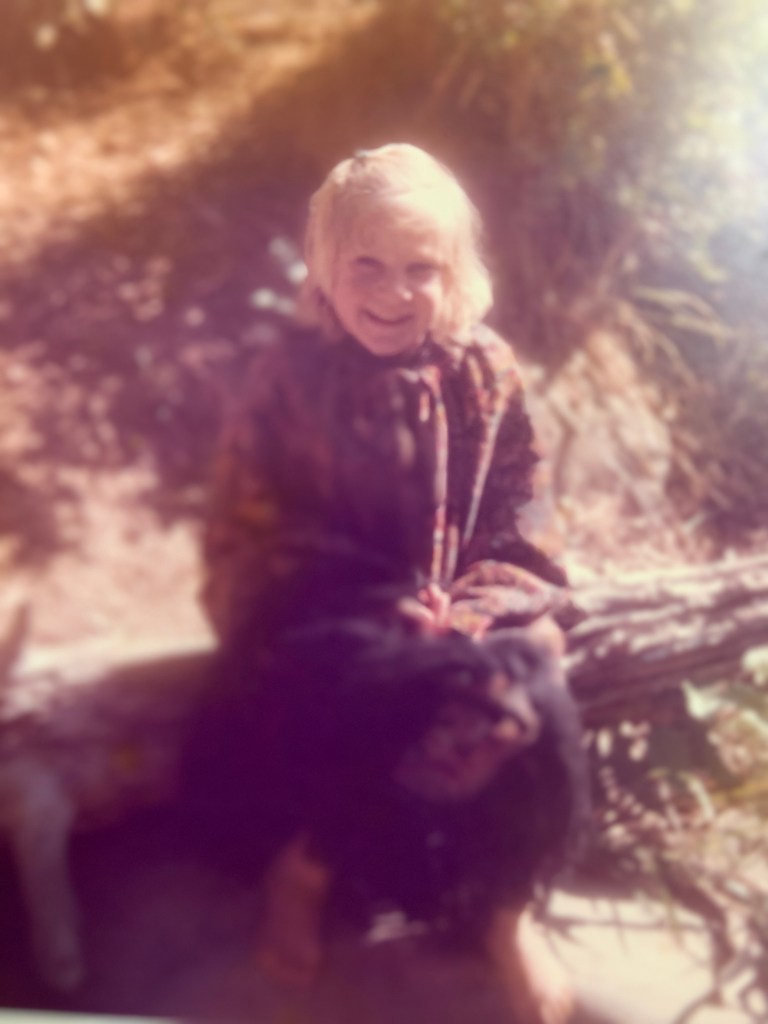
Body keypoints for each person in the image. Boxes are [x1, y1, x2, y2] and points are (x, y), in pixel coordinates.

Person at [198, 143, 580, 1024]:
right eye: (366, 263)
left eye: (421, 268)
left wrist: (479, 609)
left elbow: (528, 522)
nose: (392, 290)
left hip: (462, 612)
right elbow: (248, 537)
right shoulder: (291, 380)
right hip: (327, 621)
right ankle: (310, 865)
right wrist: (375, 611)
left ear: (456, 273)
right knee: (368, 682)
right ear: (325, 265)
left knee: (532, 672)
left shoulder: (483, 370)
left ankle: (502, 905)